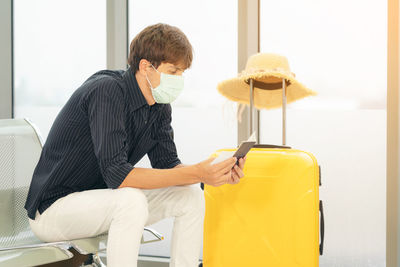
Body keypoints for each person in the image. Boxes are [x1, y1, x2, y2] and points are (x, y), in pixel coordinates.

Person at [24, 23, 246, 267]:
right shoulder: (107, 91)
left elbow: (168, 165)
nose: (179, 79)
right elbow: (117, 175)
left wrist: (209, 174)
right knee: (130, 200)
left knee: (190, 196)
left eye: (182, 72)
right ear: (145, 66)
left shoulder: (159, 104)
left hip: (102, 201)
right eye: (173, 71)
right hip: (54, 209)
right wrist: (196, 173)